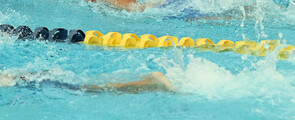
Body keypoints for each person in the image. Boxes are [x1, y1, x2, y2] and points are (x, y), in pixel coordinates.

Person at [0, 70, 174, 93]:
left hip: (33, 81)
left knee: (90, 88)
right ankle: (147, 82)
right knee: (91, 86)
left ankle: (149, 82)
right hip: (30, 78)